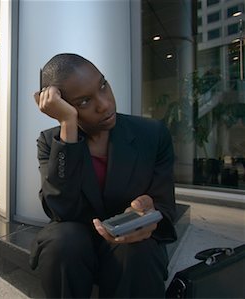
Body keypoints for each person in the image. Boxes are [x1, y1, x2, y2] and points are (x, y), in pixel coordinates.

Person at [29, 53, 177, 298]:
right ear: (62, 106)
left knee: (137, 250)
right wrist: (68, 126)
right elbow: (60, 210)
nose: (105, 104)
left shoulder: (152, 134)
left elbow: (165, 205)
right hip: (77, 241)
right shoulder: (51, 141)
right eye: (84, 101)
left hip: (132, 244)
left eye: (103, 85)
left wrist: (150, 211)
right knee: (63, 241)